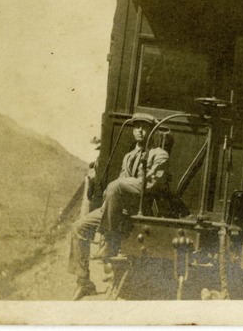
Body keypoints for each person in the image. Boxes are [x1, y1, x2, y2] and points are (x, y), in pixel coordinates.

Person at [68, 113, 173, 300]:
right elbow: (119, 184)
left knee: (115, 186)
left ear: (152, 131)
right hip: (116, 208)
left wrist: (118, 187)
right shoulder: (129, 156)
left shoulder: (160, 155)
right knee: (78, 228)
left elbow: (149, 184)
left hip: (138, 208)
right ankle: (84, 281)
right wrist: (114, 195)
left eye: (144, 127)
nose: (139, 131)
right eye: (136, 127)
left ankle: (110, 241)